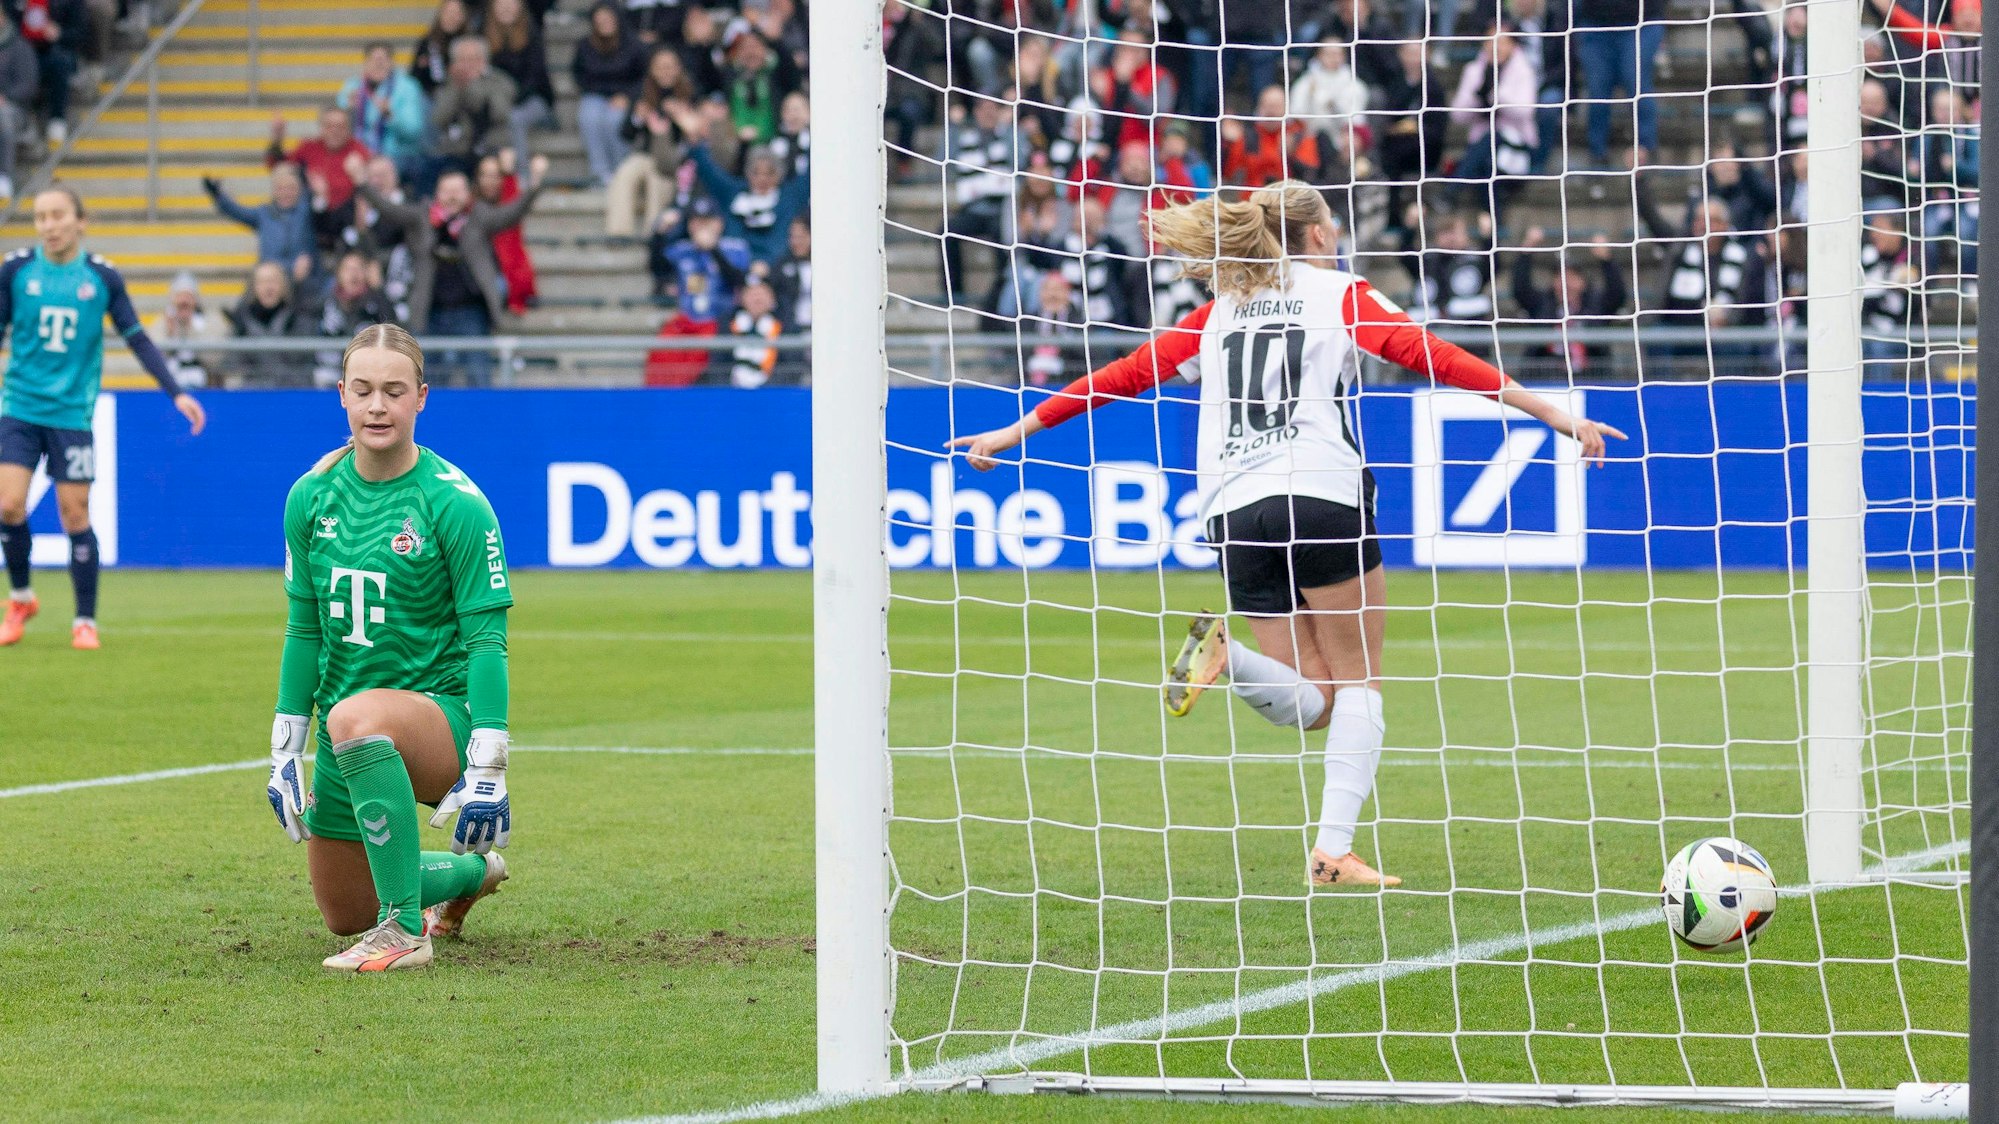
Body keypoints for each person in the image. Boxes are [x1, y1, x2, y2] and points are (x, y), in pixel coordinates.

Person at [947, 183, 1624, 888]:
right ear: (1318, 235)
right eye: (1332, 224)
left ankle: (1229, 657)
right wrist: (1554, 414)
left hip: (1233, 512)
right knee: (1358, 682)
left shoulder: (1215, 312)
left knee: (1314, 703)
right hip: (1320, 493)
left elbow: (1119, 376)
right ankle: (1332, 853)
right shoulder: (1340, 295)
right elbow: (1437, 357)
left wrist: (1014, 431)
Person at [267, 322, 514, 973]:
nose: (377, 406)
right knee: (344, 911)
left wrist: (489, 767)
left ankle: (405, 932)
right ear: (342, 396)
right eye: (364, 390)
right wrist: (286, 747)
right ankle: (472, 873)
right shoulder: (309, 497)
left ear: (421, 398)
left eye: (394, 391)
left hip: (439, 722)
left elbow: (488, 642)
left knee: (354, 714)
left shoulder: (455, 504)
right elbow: (303, 629)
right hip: (348, 732)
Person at [0, 187, 206, 648]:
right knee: (8, 504)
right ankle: (21, 599)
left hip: (71, 414)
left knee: (74, 513)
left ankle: (84, 620)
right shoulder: (15, 271)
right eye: (41, 217)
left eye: (58, 215)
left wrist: (176, 392)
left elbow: (136, 337)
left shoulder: (101, 277)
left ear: (81, 221)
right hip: (19, 407)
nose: (49, 225)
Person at [348, 151, 549, 386]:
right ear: (436, 193)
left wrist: (534, 185)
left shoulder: (478, 216)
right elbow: (389, 209)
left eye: (457, 191)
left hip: (471, 312)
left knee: (478, 376)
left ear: (468, 193)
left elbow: (511, 214)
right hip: (430, 312)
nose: (452, 197)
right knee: (428, 379)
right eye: (447, 191)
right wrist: (362, 182)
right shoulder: (421, 217)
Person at [572, 2, 647, 187]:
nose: (604, 23)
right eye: (600, 20)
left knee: (613, 120)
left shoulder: (633, 44)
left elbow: (643, 77)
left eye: (608, 19)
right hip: (594, 95)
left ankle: (621, 171)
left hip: (625, 95)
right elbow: (578, 73)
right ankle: (599, 173)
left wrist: (628, 96)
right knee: (588, 118)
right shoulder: (585, 45)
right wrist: (595, 91)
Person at [203, 165, 318, 285]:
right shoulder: (264, 213)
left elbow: (321, 208)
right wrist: (218, 195)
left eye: (290, 188)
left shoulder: (307, 211)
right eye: (280, 188)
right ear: (274, 191)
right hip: (270, 277)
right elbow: (238, 212)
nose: (285, 193)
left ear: (299, 190)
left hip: (304, 279)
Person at [428, 36, 518, 187]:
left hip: (491, 146)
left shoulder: (499, 81)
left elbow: (500, 114)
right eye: (461, 60)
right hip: (457, 150)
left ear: (484, 60)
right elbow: (438, 118)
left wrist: (472, 84)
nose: (467, 65)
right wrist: (456, 88)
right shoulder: (450, 84)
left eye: (472, 59)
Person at [302, 249, 398, 387]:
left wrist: (379, 289)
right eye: (348, 269)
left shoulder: (378, 303)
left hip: (369, 378)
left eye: (359, 269)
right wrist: (299, 283)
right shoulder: (324, 303)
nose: (353, 274)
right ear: (338, 274)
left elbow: (395, 329)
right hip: (327, 379)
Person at [340, 42, 431, 184]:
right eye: (374, 60)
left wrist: (390, 116)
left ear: (391, 63)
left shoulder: (407, 87)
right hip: (360, 155)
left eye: (382, 60)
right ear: (366, 63)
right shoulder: (352, 87)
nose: (378, 64)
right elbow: (338, 127)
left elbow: (414, 132)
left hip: (397, 156)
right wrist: (350, 111)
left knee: (383, 169)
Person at [484, 0, 554, 172]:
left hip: (534, 99)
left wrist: (513, 99)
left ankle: (522, 177)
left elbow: (536, 77)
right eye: (501, 3)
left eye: (511, 2)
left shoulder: (532, 34)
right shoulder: (484, 37)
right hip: (500, 101)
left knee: (516, 118)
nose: (506, 7)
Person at [268, 105, 370, 212]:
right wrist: (277, 138)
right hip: (314, 212)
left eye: (340, 126)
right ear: (321, 128)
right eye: (329, 126)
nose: (335, 131)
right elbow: (278, 165)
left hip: (350, 211)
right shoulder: (309, 147)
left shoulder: (358, 150)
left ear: (348, 129)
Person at [228, 261, 306, 386]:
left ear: (284, 285)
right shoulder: (241, 323)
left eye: (273, 281)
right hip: (253, 391)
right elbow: (232, 365)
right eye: (262, 282)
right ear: (254, 287)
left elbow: (304, 365)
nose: (268, 287)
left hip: (291, 390)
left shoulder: (298, 319)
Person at [146, 270, 227, 389]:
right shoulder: (161, 324)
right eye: (179, 296)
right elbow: (153, 360)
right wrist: (170, 334)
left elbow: (214, 359)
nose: (184, 301)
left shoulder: (209, 322)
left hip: (206, 386)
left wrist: (190, 329)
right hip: (171, 387)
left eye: (188, 296)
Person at [0, 13, 38, 201]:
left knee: (3, 115)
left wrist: (6, 97)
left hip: (15, 110)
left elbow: (28, 85)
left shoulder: (19, 46)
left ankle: (4, 177)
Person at [409, 0, 475, 99]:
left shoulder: (470, 43)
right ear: (440, 15)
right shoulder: (428, 42)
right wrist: (422, 67)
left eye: (456, 13)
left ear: (463, 17)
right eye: (448, 12)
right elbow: (414, 75)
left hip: (465, 94)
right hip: (433, 95)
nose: (451, 17)